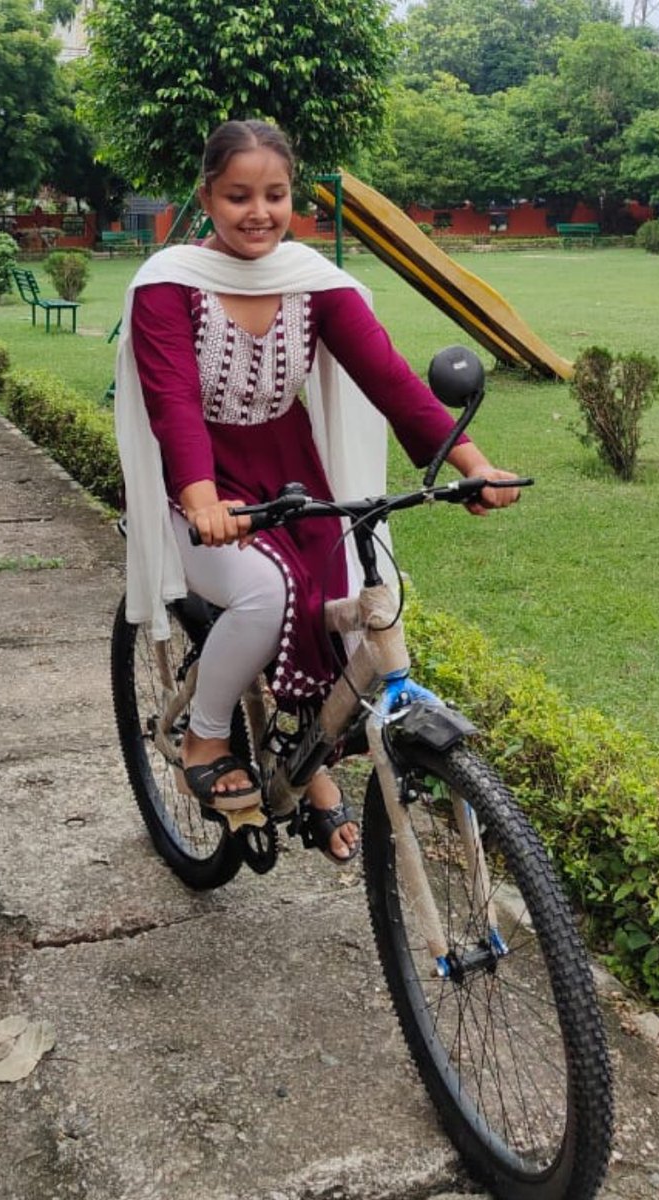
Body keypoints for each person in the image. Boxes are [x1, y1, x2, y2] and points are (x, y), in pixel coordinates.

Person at [114, 119, 520, 864]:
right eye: (238, 196)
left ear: (294, 197)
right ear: (206, 197)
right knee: (265, 596)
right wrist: (201, 499)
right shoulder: (169, 285)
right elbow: (172, 402)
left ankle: (310, 774)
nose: (258, 212)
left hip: (292, 474)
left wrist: (473, 462)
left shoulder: (312, 283)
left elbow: (391, 379)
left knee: (341, 603)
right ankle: (206, 734)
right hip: (197, 482)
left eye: (275, 195)